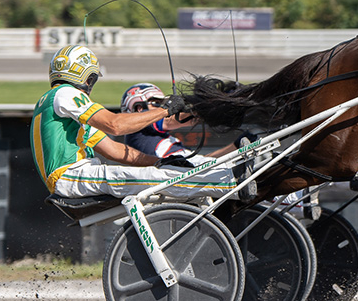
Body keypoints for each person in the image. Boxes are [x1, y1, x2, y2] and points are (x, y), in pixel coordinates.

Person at [30, 45, 254, 201]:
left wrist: (160, 162)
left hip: (75, 177)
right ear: (86, 78)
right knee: (159, 181)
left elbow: (116, 150)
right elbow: (115, 125)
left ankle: (226, 183)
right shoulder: (65, 94)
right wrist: (164, 110)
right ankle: (235, 185)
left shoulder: (61, 108)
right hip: (71, 177)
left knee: (159, 175)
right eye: (92, 79)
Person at [119, 81, 320, 219]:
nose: (166, 108)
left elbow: (204, 160)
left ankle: (297, 194)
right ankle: (296, 200)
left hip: (190, 172)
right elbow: (178, 120)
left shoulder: (160, 137)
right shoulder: (141, 129)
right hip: (178, 179)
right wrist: (215, 106)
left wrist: (235, 147)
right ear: (138, 109)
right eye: (158, 103)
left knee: (251, 151)